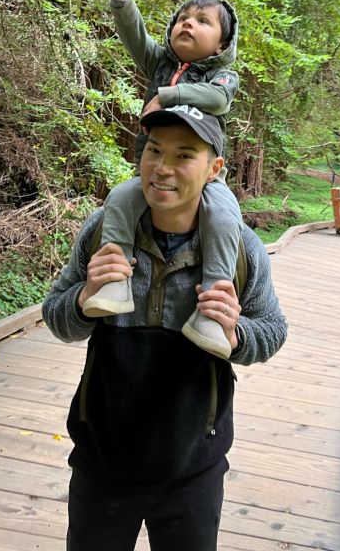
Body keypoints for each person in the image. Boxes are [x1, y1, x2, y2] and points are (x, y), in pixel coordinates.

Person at [42, 107, 287, 551]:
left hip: (193, 470)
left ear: (214, 169)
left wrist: (235, 335)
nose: (162, 168)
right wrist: (84, 298)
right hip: (103, 461)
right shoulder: (104, 231)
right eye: (154, 151)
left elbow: (272, 330)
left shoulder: (241, 249)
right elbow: (56, 315)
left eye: (183, 155)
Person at [83, 0, 241, 361]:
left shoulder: (224, 77)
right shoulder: (161, 64)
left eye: (203, 21)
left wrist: (168, 97)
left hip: (204, 184)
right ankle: (116, 279)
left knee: (224, 217)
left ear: (222, 44)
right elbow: (133, 33)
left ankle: (213, 301)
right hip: (150, 175)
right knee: (119, 196)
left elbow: (218, 101)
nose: (187, 24)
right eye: (182, 19)